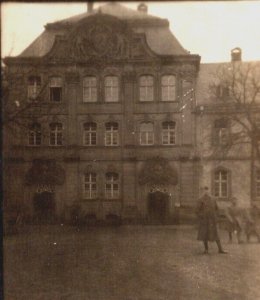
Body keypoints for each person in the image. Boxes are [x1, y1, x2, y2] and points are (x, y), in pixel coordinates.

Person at [196, 186, 227, 254]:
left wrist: (216, 217)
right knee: (204, 235)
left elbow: (217, 209)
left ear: (209, 191)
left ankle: (220, 249)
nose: (206, 192)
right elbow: (197, 211)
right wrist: (202, 217)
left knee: (216, 234)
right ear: (202, 191)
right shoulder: (200, 200)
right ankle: (206, 249)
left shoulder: (213, 199)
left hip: (212, 220)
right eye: (204, 190)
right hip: (204, 221)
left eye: (207, 190)